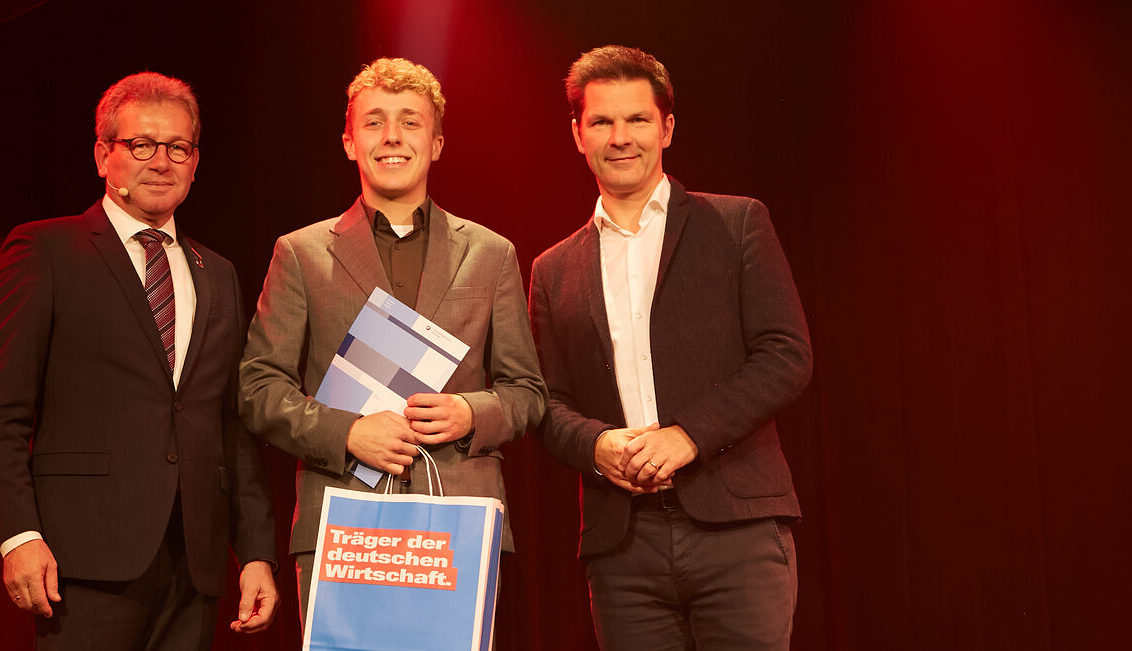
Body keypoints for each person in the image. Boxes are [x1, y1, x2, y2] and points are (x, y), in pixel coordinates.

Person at [0, 71, 278, 650]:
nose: (161, 161)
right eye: (141, 145)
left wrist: (256, 551)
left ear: (195, 162)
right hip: (81, 560)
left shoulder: (219, 273)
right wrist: (17, 534)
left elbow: (231, 428)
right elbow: (1, 411)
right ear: (103, 155)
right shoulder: (44, 249)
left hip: (196, 562)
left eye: (178, 148)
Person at [238, 57, 547, 615]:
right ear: (349, 142)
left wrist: (471, 413)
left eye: (411, 121)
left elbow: (527, 391)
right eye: (374, 122)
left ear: (437, 143)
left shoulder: (491, 254)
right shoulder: (301, 253)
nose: (392, 137)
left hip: (457, 522)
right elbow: (259, 388)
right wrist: (347, 432)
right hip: (345, 521)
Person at [530, 46, 814, 650]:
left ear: (667, 127)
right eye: (602, 121)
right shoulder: (553, 269)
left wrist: (686, 435)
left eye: (637, 119)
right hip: (623, 547)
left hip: (737, 527)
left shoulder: (736, 224)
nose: (620, 136)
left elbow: (786, 354)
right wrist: (596, 444)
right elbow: (546, 403)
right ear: (577, 134)